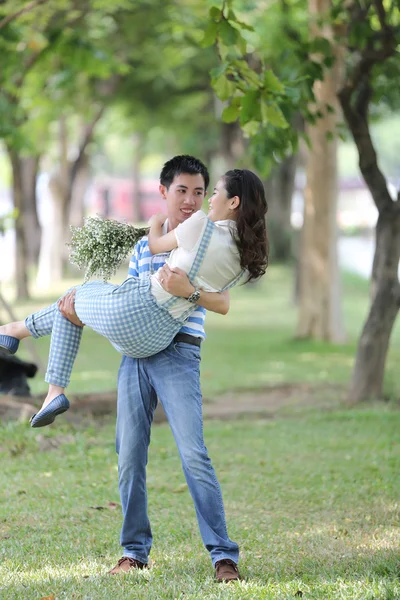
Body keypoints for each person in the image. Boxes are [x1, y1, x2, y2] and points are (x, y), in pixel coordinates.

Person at [26, 156, 268, 582]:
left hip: (179, 353)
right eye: (183, 191)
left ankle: (222, 556)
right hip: (137, 356)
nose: (192, 200)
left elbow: (222, 302)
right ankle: (134, 552)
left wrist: (190, 291)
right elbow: (129, 304)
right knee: (129, 454)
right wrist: (88, 311)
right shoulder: (144, 247)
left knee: (194, 454)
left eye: (200, 192)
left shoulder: (210, 238)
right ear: (164, 193)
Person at [0, 161, 268, 435]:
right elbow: (218, 301)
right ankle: (49, 385)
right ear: (165, 191)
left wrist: (154, 223)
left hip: (150, 322)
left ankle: (19, 339)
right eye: (186, 191)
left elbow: (157, 249)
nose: (203, 200)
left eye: (208, 193)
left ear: (233, 202)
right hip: (155, 334)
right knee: (71, 308)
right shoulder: (241, 258)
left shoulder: (200, 227)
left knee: (74, 297)